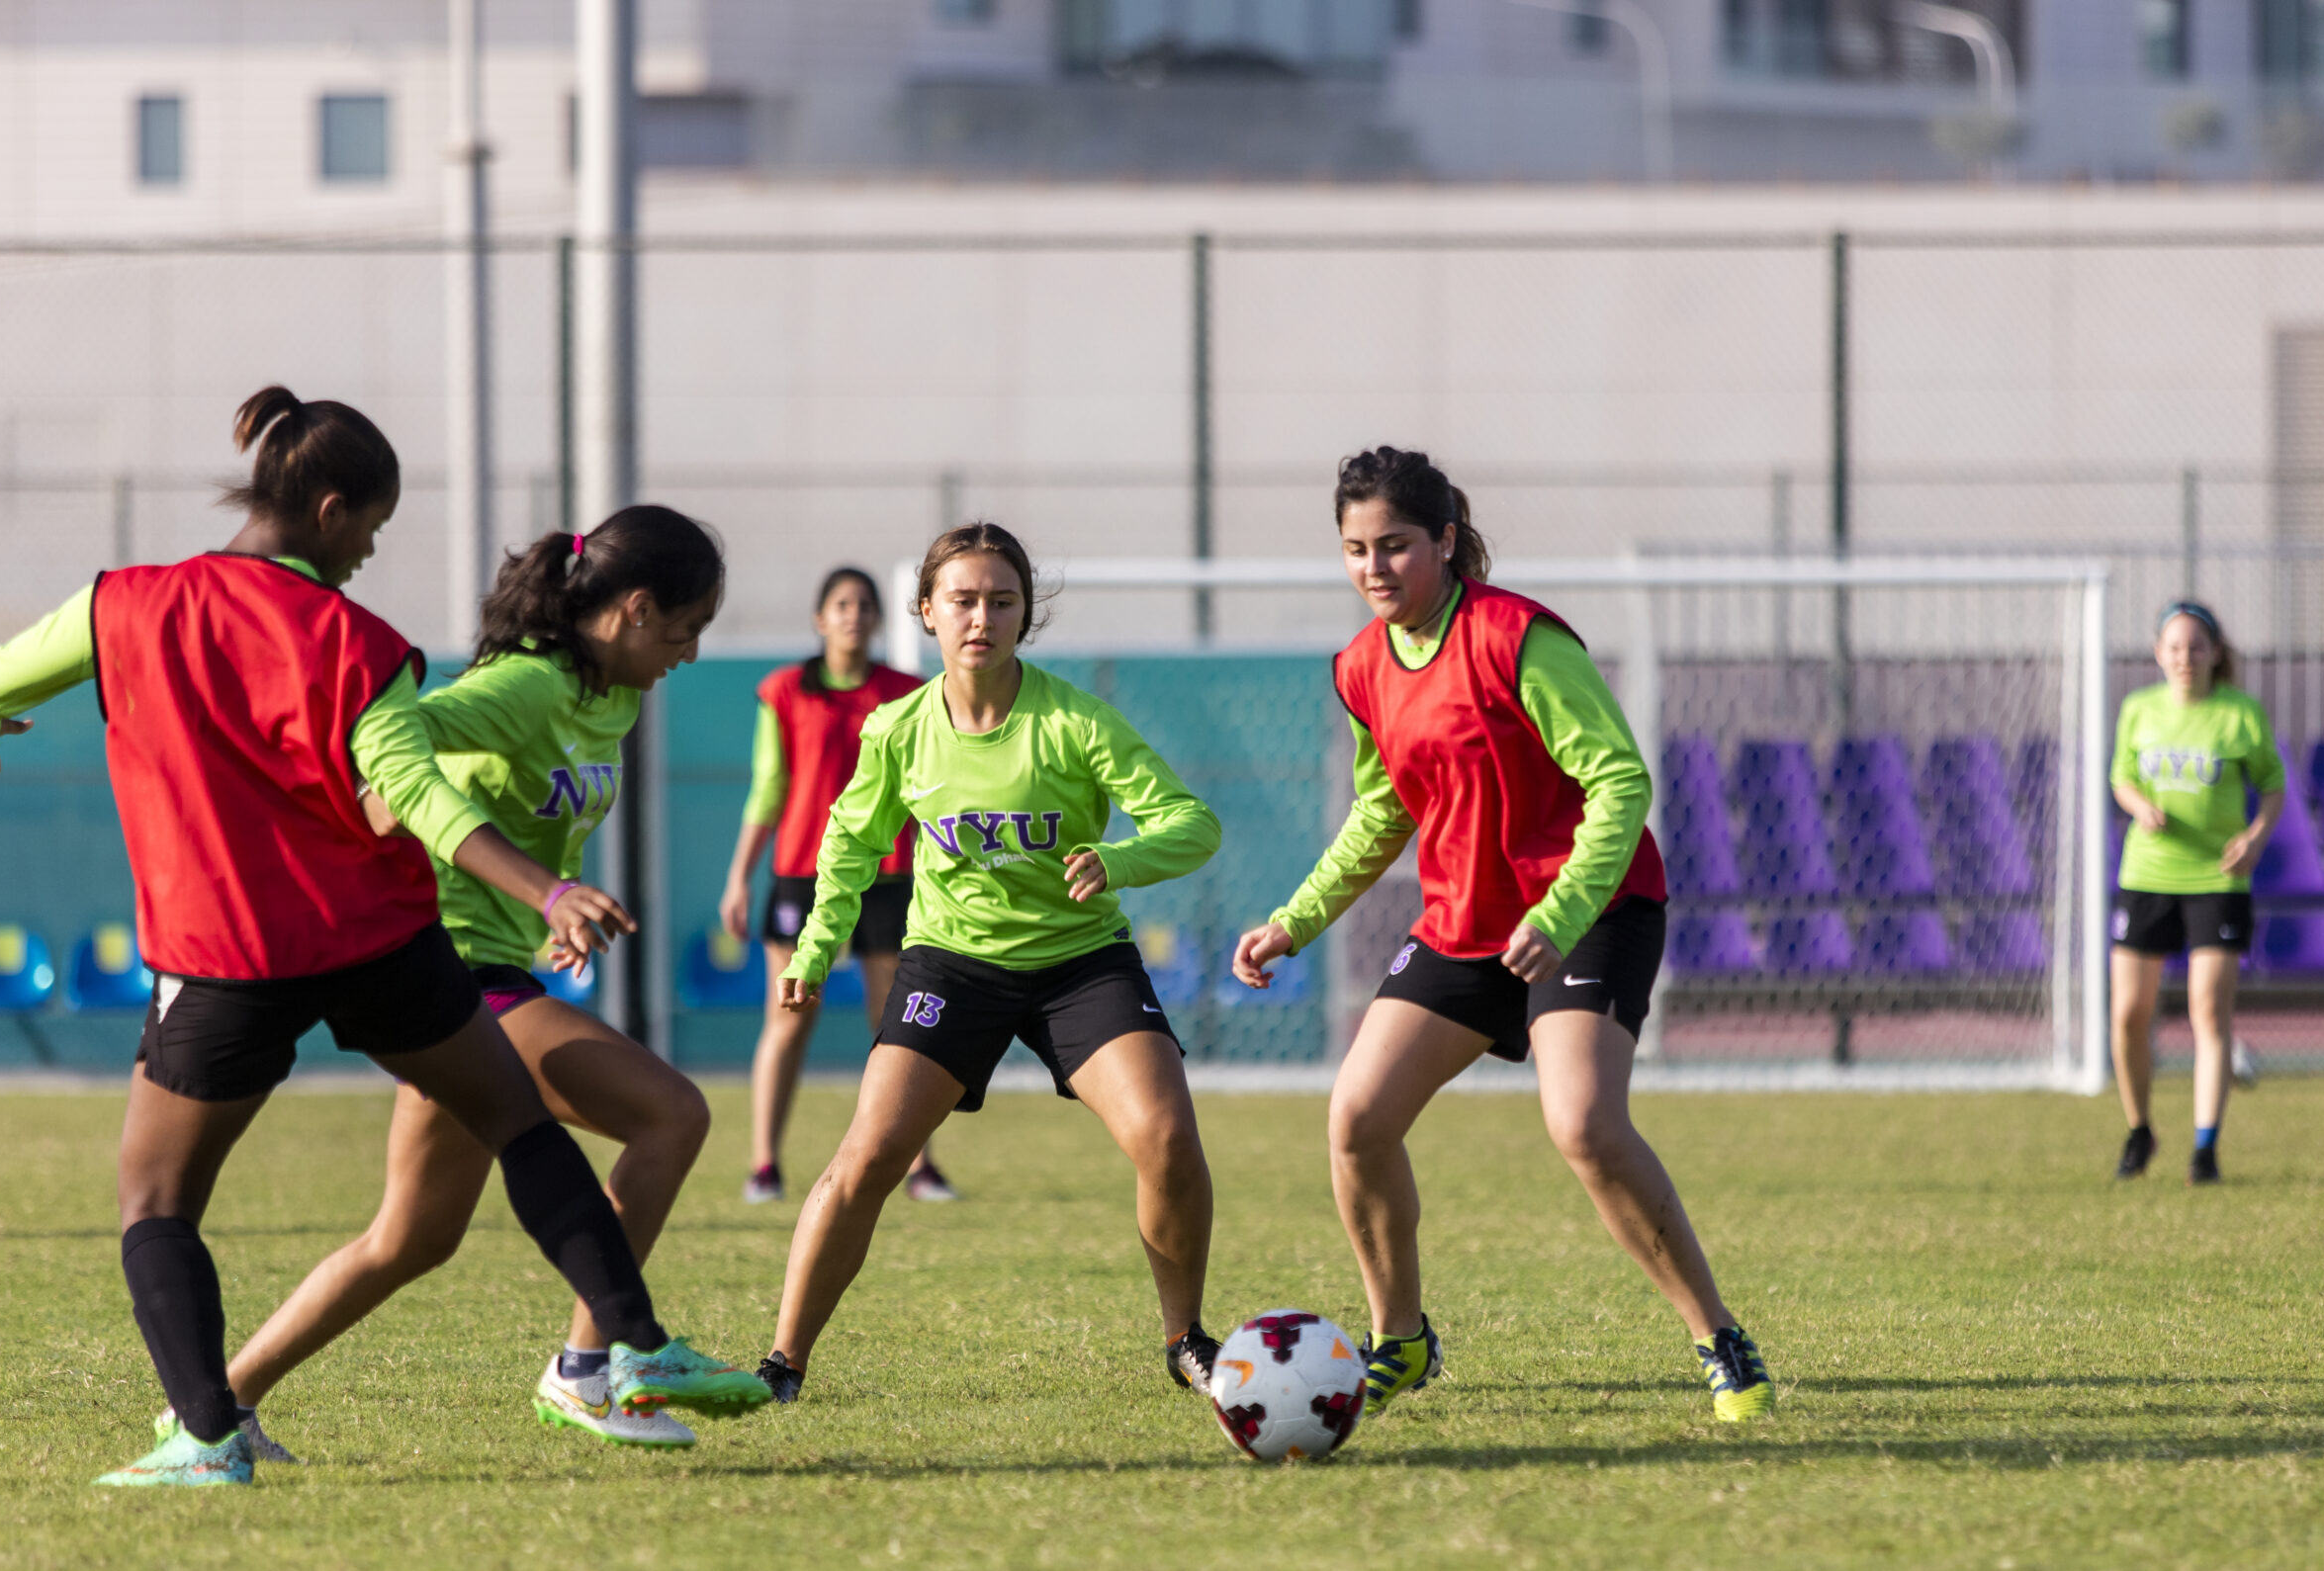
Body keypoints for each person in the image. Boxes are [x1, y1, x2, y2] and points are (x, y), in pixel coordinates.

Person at [0, 389, 760, 1485]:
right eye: (371, 525)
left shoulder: (121, 603)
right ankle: (627, 1348)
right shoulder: (361, 644)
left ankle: (210, 1437)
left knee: (157, 1202)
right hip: (379, 940)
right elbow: (415, 789)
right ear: (326, 509)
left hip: (227, 952)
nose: (369, 549)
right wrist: (545, 890)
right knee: (503, 1139)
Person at [188, 504, 763, 1455]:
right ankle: (589, 1367)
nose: (692, 654)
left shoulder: (612, 695)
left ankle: (214, 1411)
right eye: (684, 629)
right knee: (673, 1114)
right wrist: (392, 813)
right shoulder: (523, 687)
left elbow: (534, 811)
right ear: (630, 609)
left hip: (497, 969)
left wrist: (555, 915)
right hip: (446, 977)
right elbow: (381, 747)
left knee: (408, 1240)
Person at [1230, 447, 1775, 1425]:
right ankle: (1400, 1337)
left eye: (1394, 545)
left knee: (1583, 1126)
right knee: (1355, 1120)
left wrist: (1558, 912)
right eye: (1355, 550)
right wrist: (1291, 922)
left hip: (1590, 910)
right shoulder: (1360, 669)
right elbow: (1379, 814)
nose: (1373, 568)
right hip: (1463, 924)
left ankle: (1716, 1336)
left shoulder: (1516, 638)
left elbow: (1620, 783)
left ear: (1445, 539)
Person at [752, 523, 1224, 1405]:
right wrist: (816, 949)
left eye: (1002, 600)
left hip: (1081, 962)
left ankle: (1185, 1337)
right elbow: (848, 847)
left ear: (1025, 615)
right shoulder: (897, 728)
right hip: (951, 968)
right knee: (866, 1158)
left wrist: (1118, 860)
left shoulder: (1076, 721)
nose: (982, 617)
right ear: (927, 612)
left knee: (1166, 1138)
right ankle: (781, 1364)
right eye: (962, 600)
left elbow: (1193, 823)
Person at [720, 567, 955, 1205]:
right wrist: (739, 877)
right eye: (841, 604)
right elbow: (768, 789)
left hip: (889, 873)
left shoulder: (908, 692)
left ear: (880, 619)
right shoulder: (786, 690)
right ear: (820, 618)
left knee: (898, 1022)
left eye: (864, 605)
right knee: (791, 1017)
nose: (853, 614)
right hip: (801, 870)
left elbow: (930, 786)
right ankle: (764, 1164)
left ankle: (918, 1166)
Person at [2107, 601, 2283, 1186]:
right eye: (2175, 647)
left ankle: (2205, 1148)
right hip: (2147, 876)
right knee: (2130, 1015)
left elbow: (2273, 787)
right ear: (2159, 653)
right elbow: (2121, 776)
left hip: (2217, 879)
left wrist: (2255, 838)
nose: (2185, 658)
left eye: (2196, 646)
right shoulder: (2138, 710)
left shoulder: (2240, 715)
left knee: (2208, 1008)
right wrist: (2138, 805)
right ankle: (2139, 1129)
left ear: (2214, 652)